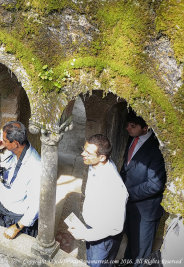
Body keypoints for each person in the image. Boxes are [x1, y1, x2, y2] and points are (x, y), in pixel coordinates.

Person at [68, 134, 128, 267]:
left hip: (104, 239)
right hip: (93, 229)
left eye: (88, 153)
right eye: (84, 149)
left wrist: (85, 234)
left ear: (102, 157)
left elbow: (116, 226)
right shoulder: (94, 164)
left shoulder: (114, 186)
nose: (83, 154)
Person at [119, 111, 166, 266]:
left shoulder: (156, 150)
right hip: (131, 205)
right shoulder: (133, 138)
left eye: (132, 126)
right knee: (132, 241)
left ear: (145, 128)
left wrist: (128, 193)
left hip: (145, 210)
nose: (128, 128)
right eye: (128, 125)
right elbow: (128, 167)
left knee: (141, 251)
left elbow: (155, 184)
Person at [0, 121, 41, 239]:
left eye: (4, 140)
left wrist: (18, 226)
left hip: (17, 220)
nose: (1, 141)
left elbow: (36, 205)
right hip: (2, 210)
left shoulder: (35, 167)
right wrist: (1, 149)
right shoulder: (13, 150)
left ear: (15, 143)